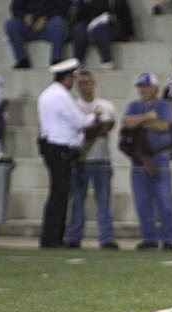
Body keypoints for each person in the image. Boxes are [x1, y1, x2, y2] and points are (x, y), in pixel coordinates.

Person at [37, 58, 100, 248]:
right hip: (61, 150)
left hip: (49, 146)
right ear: (68, 78)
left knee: (56, 194)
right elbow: (79, 122)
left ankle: (51, 236)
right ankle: (53, 238)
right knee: (60, 195)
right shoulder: (62, 96)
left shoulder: (46, 94)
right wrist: (93, 117)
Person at [121, 72, 172, 250]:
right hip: (139, 161)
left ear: (155, 88)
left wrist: (138, 123)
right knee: (142, 203)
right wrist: (147, 119)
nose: (143, 90)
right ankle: (149, 238)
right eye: (141, 87)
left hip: (159, 159)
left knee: (164, 202)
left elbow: (164, 125)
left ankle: (167, 238)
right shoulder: (134, 105)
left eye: (147, 86)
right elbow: (125, 122)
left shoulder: (164, 105)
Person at [63, 69, 118, 250]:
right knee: (77, 200)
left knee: (103, 201)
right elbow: (78, 130)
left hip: (101, 159)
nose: (85, 86)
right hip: (81, 159)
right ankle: (74, 236)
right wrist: (92, 127)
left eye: (87, 82)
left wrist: (88, 128)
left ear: (93, 84)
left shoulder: (106, 105)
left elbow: (107, 126)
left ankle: (106, 238)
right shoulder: (73, 106)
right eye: (81, 83)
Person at [5, 0, 70, 68]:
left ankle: (56, 60)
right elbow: (15, 8)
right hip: (28, 28)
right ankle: (22, 60)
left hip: (49, 27)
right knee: (11, 24)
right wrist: (24, 15)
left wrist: (45, 17)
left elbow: (63, 7)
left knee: (58, 23)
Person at [72, 0, 135, 69]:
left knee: (99, 30)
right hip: (90, 25)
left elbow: (124, 16)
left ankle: (107, 61)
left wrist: (130, 34)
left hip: (109, 26)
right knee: (79, 28)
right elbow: (80, 17)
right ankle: (77, 62)